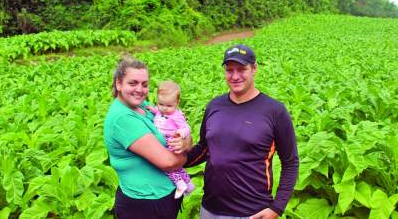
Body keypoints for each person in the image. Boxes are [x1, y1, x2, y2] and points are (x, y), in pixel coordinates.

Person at [185, 44, 299, 219]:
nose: (235, 76)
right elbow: (204, 149)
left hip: (252, 212)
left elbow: (290, 162)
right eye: (229, 70)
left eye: (241, 69)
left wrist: (277, 208)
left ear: (254, 69)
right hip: (209, 209)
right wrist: (172, 158)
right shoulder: (214, 106)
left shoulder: (275, 111)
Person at [103, 56, 191, 219]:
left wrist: (185, 142)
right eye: (133, 83)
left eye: (144, 84)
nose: (140, 89)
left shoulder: (143, 107)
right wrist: (186, 155)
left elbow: (180, 130)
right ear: (118, 84)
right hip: (143, 205)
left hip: (163, 196)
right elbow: (168, 162)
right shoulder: (123, 118)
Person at [148, 80, 195, 199]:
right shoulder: (162, 110)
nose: (164, 108)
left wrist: (180, 133)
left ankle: (180, 184)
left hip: (170, 140)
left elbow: (186, 127)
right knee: (178, 167)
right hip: (164, 139)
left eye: (169, 106)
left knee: (167, 165)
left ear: (177, 102)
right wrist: (153, 109)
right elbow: (158, 111)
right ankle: (188, 184)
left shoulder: (176, 115)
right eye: (161, 104)